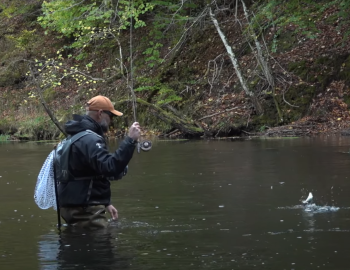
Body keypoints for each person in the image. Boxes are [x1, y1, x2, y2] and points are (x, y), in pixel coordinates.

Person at [57, 95, 141, 228]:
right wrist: (130, 141)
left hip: (73, 205)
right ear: (100, 113)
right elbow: (110, 167)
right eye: (111, 116)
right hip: (85, 209)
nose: (111, 121)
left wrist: (105, 202)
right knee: (99, 245)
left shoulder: (76, 136)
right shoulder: (89, 139)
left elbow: (87, 171)